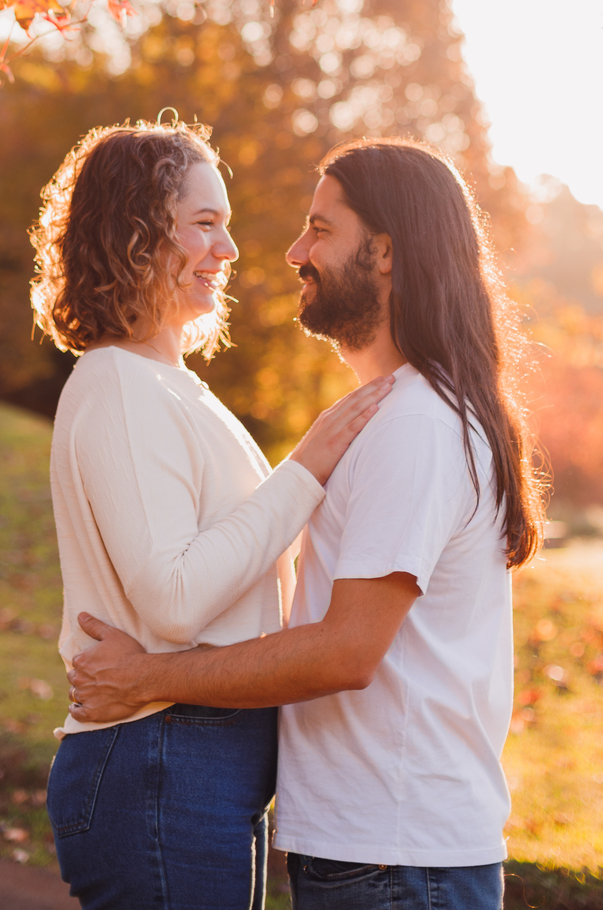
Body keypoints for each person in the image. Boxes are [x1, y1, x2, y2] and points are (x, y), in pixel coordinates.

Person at [68, 135, 546, 910]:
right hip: (375, 850)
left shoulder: (414, 425)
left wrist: (148, 678)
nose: (294, 250)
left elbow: (346, 651)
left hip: (395, 857)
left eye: (321, 229)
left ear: (385, 253)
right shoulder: (393, 417)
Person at [30, 118, 393, 910]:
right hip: (161, 753)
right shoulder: (121, 384)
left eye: (224, 226)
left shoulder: (173, 388)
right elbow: (175, 597)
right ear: (134, 235)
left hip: (195, 754)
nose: (228, 251)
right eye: (204, 225)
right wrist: (304, 470)